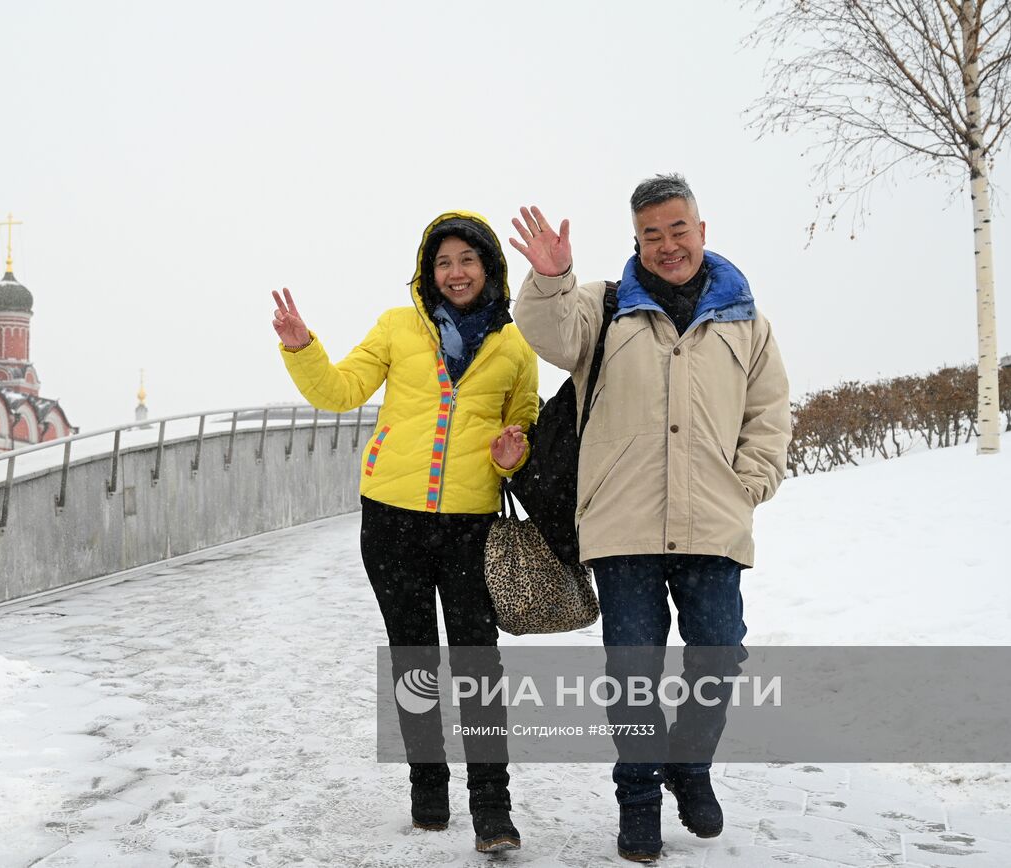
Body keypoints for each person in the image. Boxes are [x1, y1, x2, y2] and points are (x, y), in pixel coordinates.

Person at [508, 175, 790, 862]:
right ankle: (637, 799)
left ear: (701, 230)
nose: (667, 245)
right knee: (634, 671)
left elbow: (768, 412)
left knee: (718, 655)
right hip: (623, 523)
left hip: (712, 523)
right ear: (636, 241)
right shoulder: (602, 306)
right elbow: (548, 332)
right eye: (651, 235)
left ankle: (689, 767)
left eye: (677, 229)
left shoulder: (746, 321)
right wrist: (552, 278)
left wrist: (749, 484)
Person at [270, 211, 539, 853]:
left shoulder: (515, 344)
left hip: (472, 525)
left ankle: (492, 807)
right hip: (392, 520)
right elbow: (340, 391)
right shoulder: (397, 326)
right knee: (413, 657)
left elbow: (523, 425)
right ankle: (428, 791)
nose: (455, 273)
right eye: (443, 262)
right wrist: (303, 348)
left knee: (478, 663)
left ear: (489, 267)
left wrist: (513, 455)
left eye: (467, 260)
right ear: (428, 270)